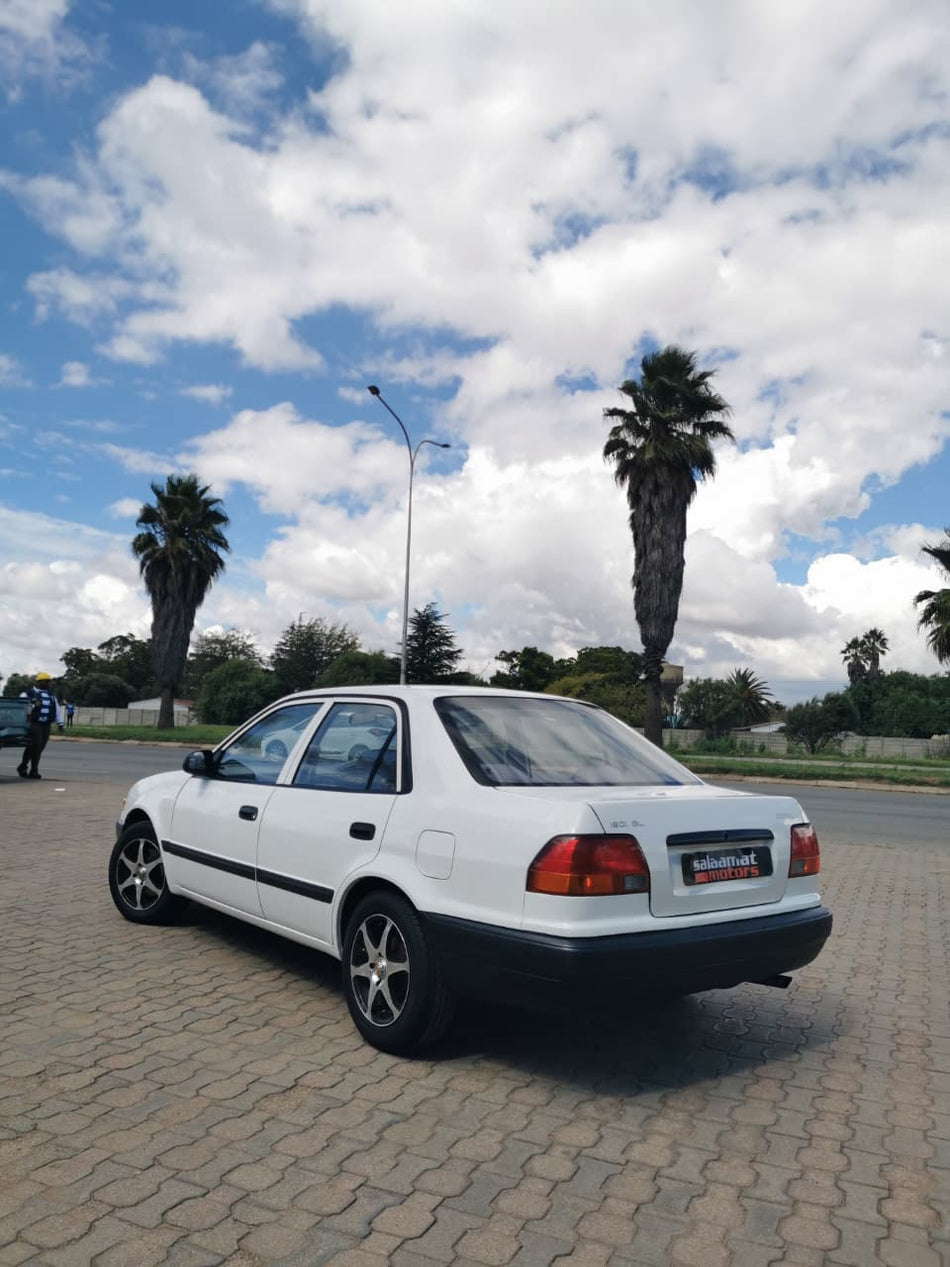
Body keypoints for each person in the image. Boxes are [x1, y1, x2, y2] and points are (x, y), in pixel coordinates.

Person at [17, 672, 63, 780]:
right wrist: (33, 705)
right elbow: (20, 708)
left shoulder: (51, 696)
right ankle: (33, 770)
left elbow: (57, 710)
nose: (47, 684)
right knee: (36, 746)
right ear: (38, 682)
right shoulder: (27, 694)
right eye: (45, 681)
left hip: (46, 725)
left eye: (48, 681)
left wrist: (60, 724)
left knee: (39, 747)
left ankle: (23, 766)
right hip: (33, 723)